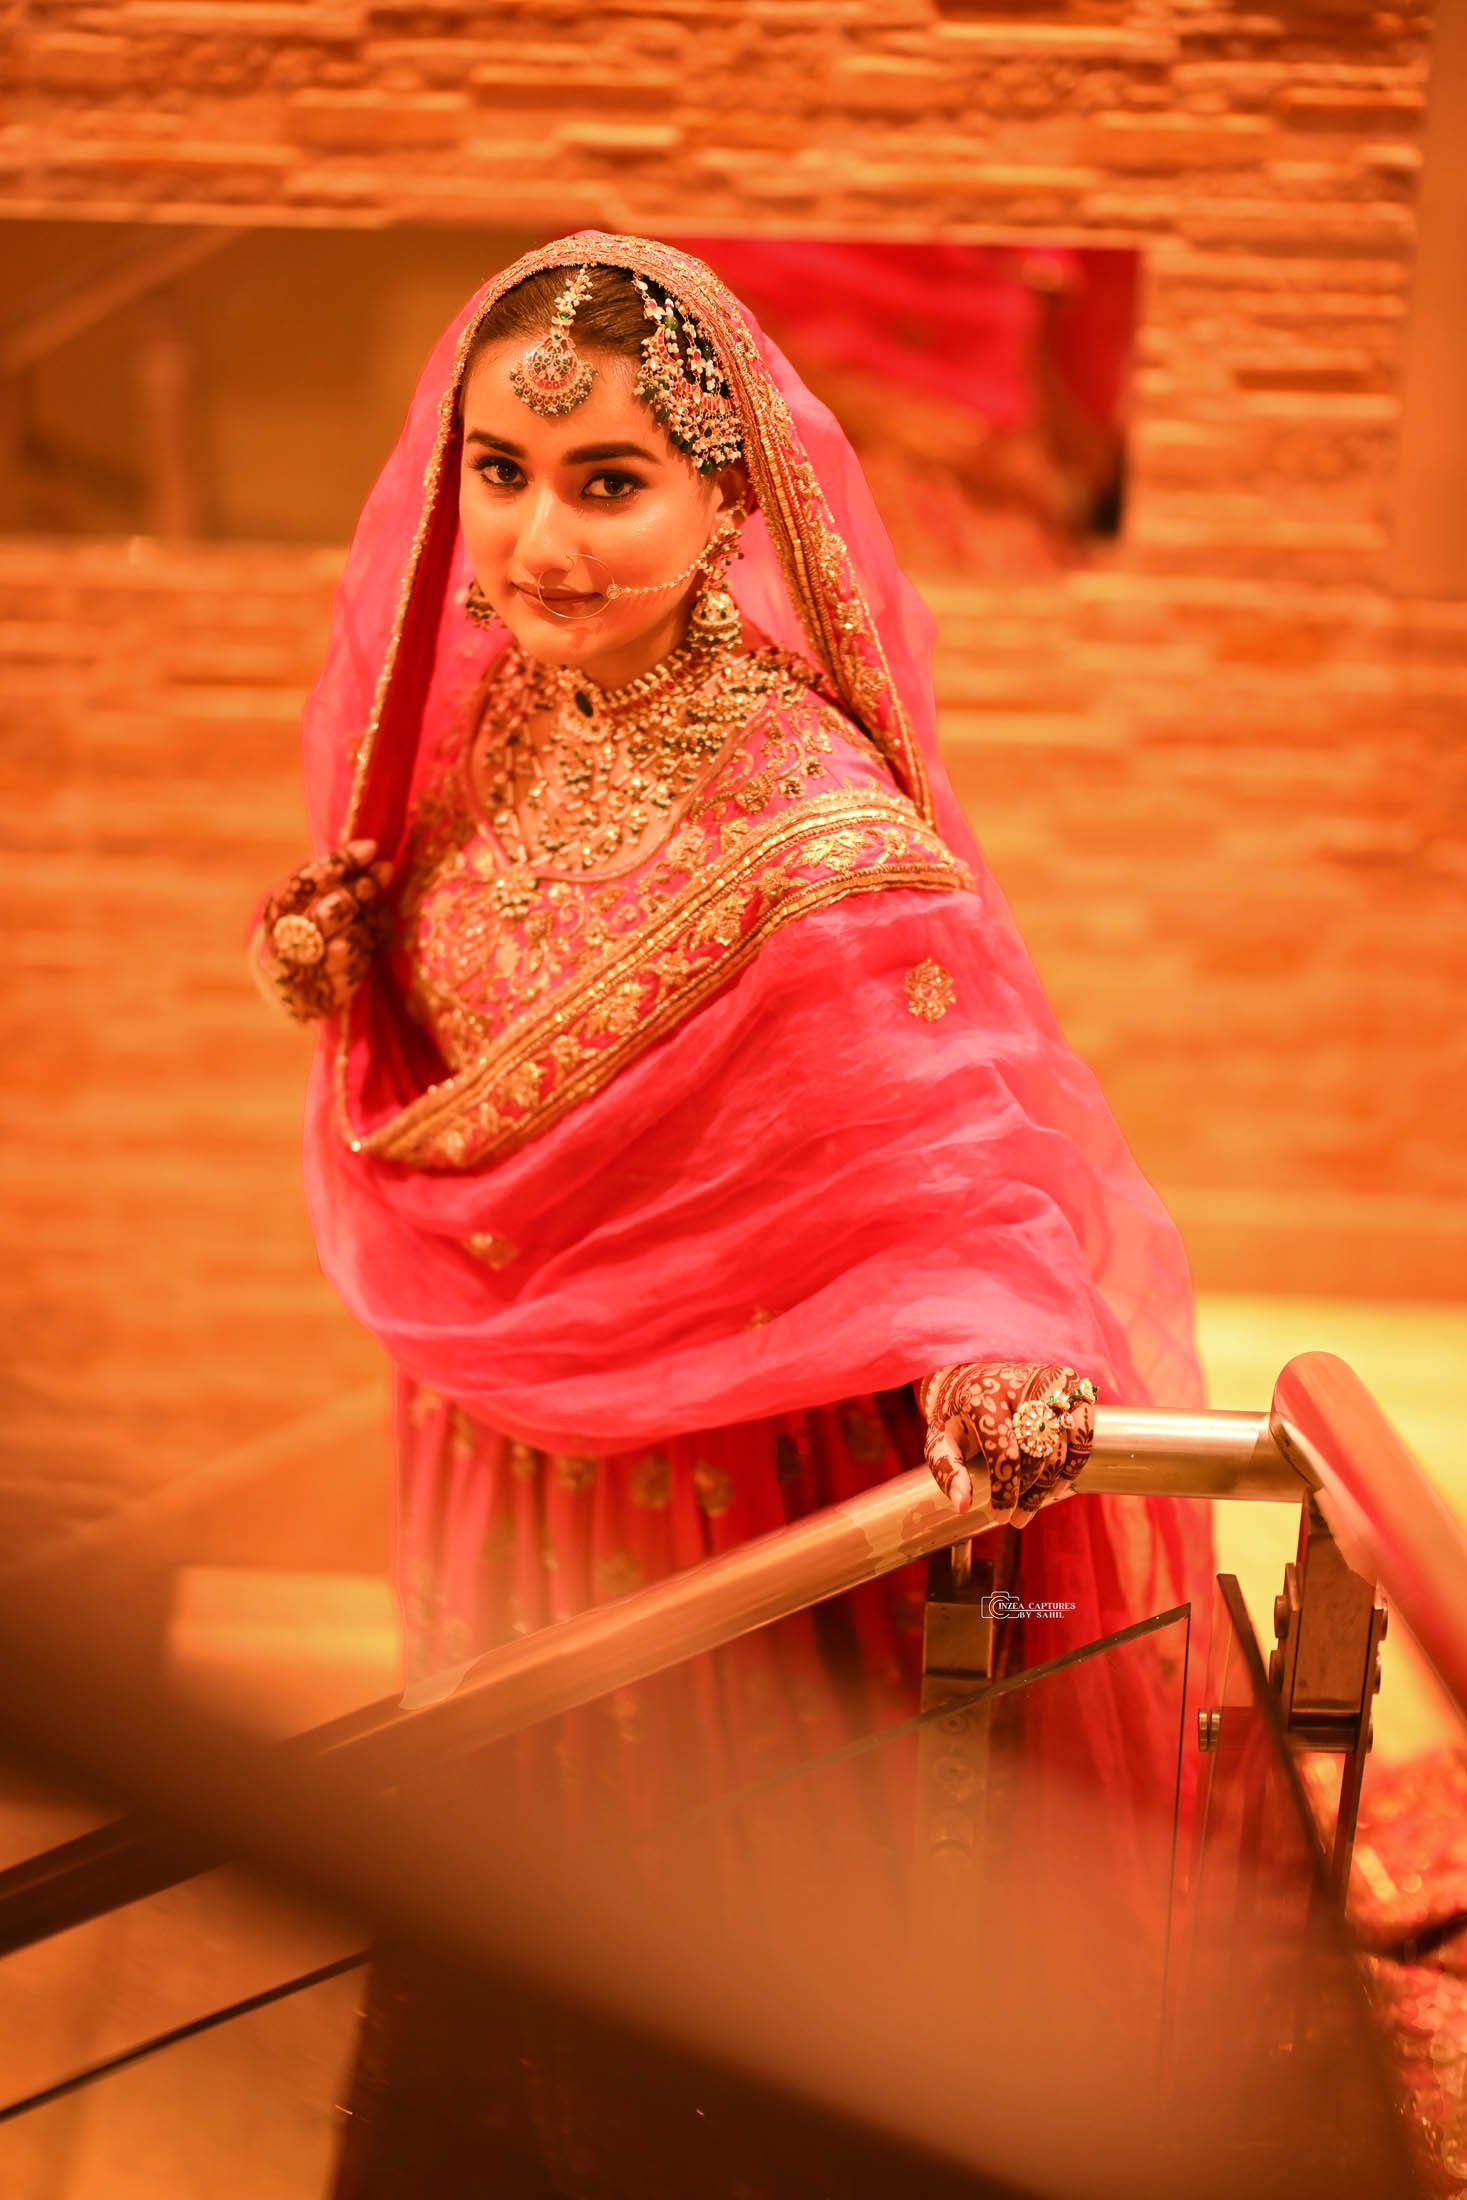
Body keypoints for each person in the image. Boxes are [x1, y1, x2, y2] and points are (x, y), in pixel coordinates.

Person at [247, 231, 1216, 2189]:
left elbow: (955, 1134)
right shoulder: (498, 727)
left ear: (721, 495)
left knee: (697, 1959)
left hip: (707, 1507)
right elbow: (474, 1027)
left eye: (607, 480)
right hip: (495, 1444)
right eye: (501, 473)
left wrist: (990, 1348)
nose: (535, 540)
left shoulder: (814, 824)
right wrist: (338, 968)